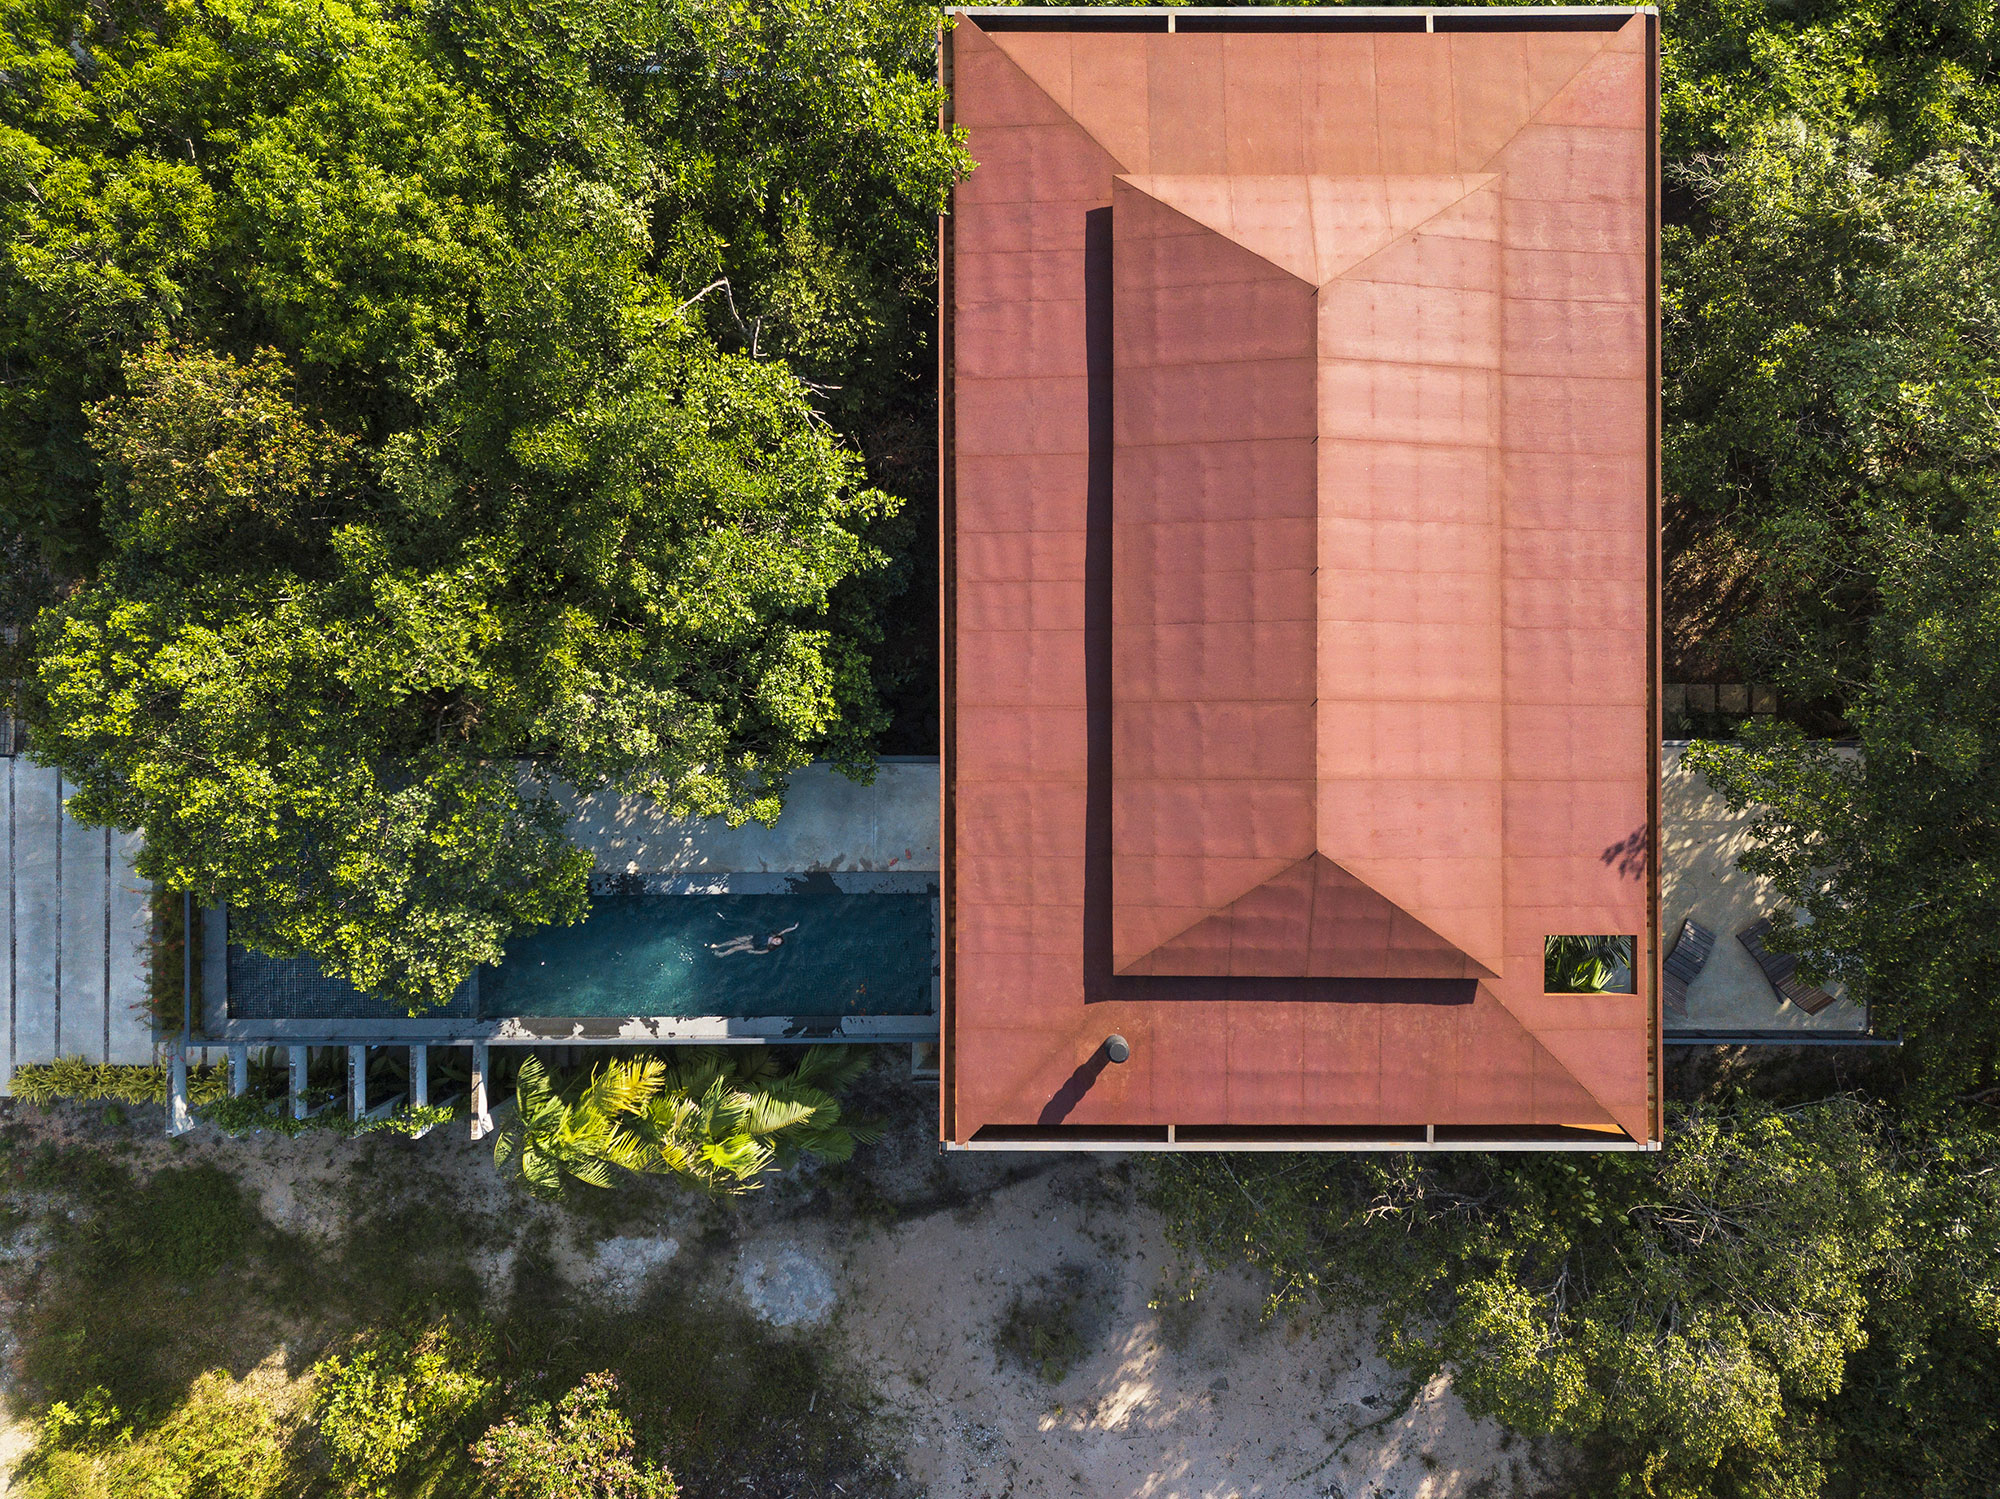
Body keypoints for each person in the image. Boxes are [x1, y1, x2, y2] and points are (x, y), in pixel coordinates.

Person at [708, 922, 799, 957]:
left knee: (736, 948)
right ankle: (719, 946)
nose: (776, 941)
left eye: (777, 943)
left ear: (776, 945)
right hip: (752, 937)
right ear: (777, 937)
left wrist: (754, 952)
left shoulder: (770, 947)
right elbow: (785, 931)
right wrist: (794, 928)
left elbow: (763, 952)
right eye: (777, 940)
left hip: (752, 945)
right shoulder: (775, 935)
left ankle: (722, 954)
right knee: (734, 941)